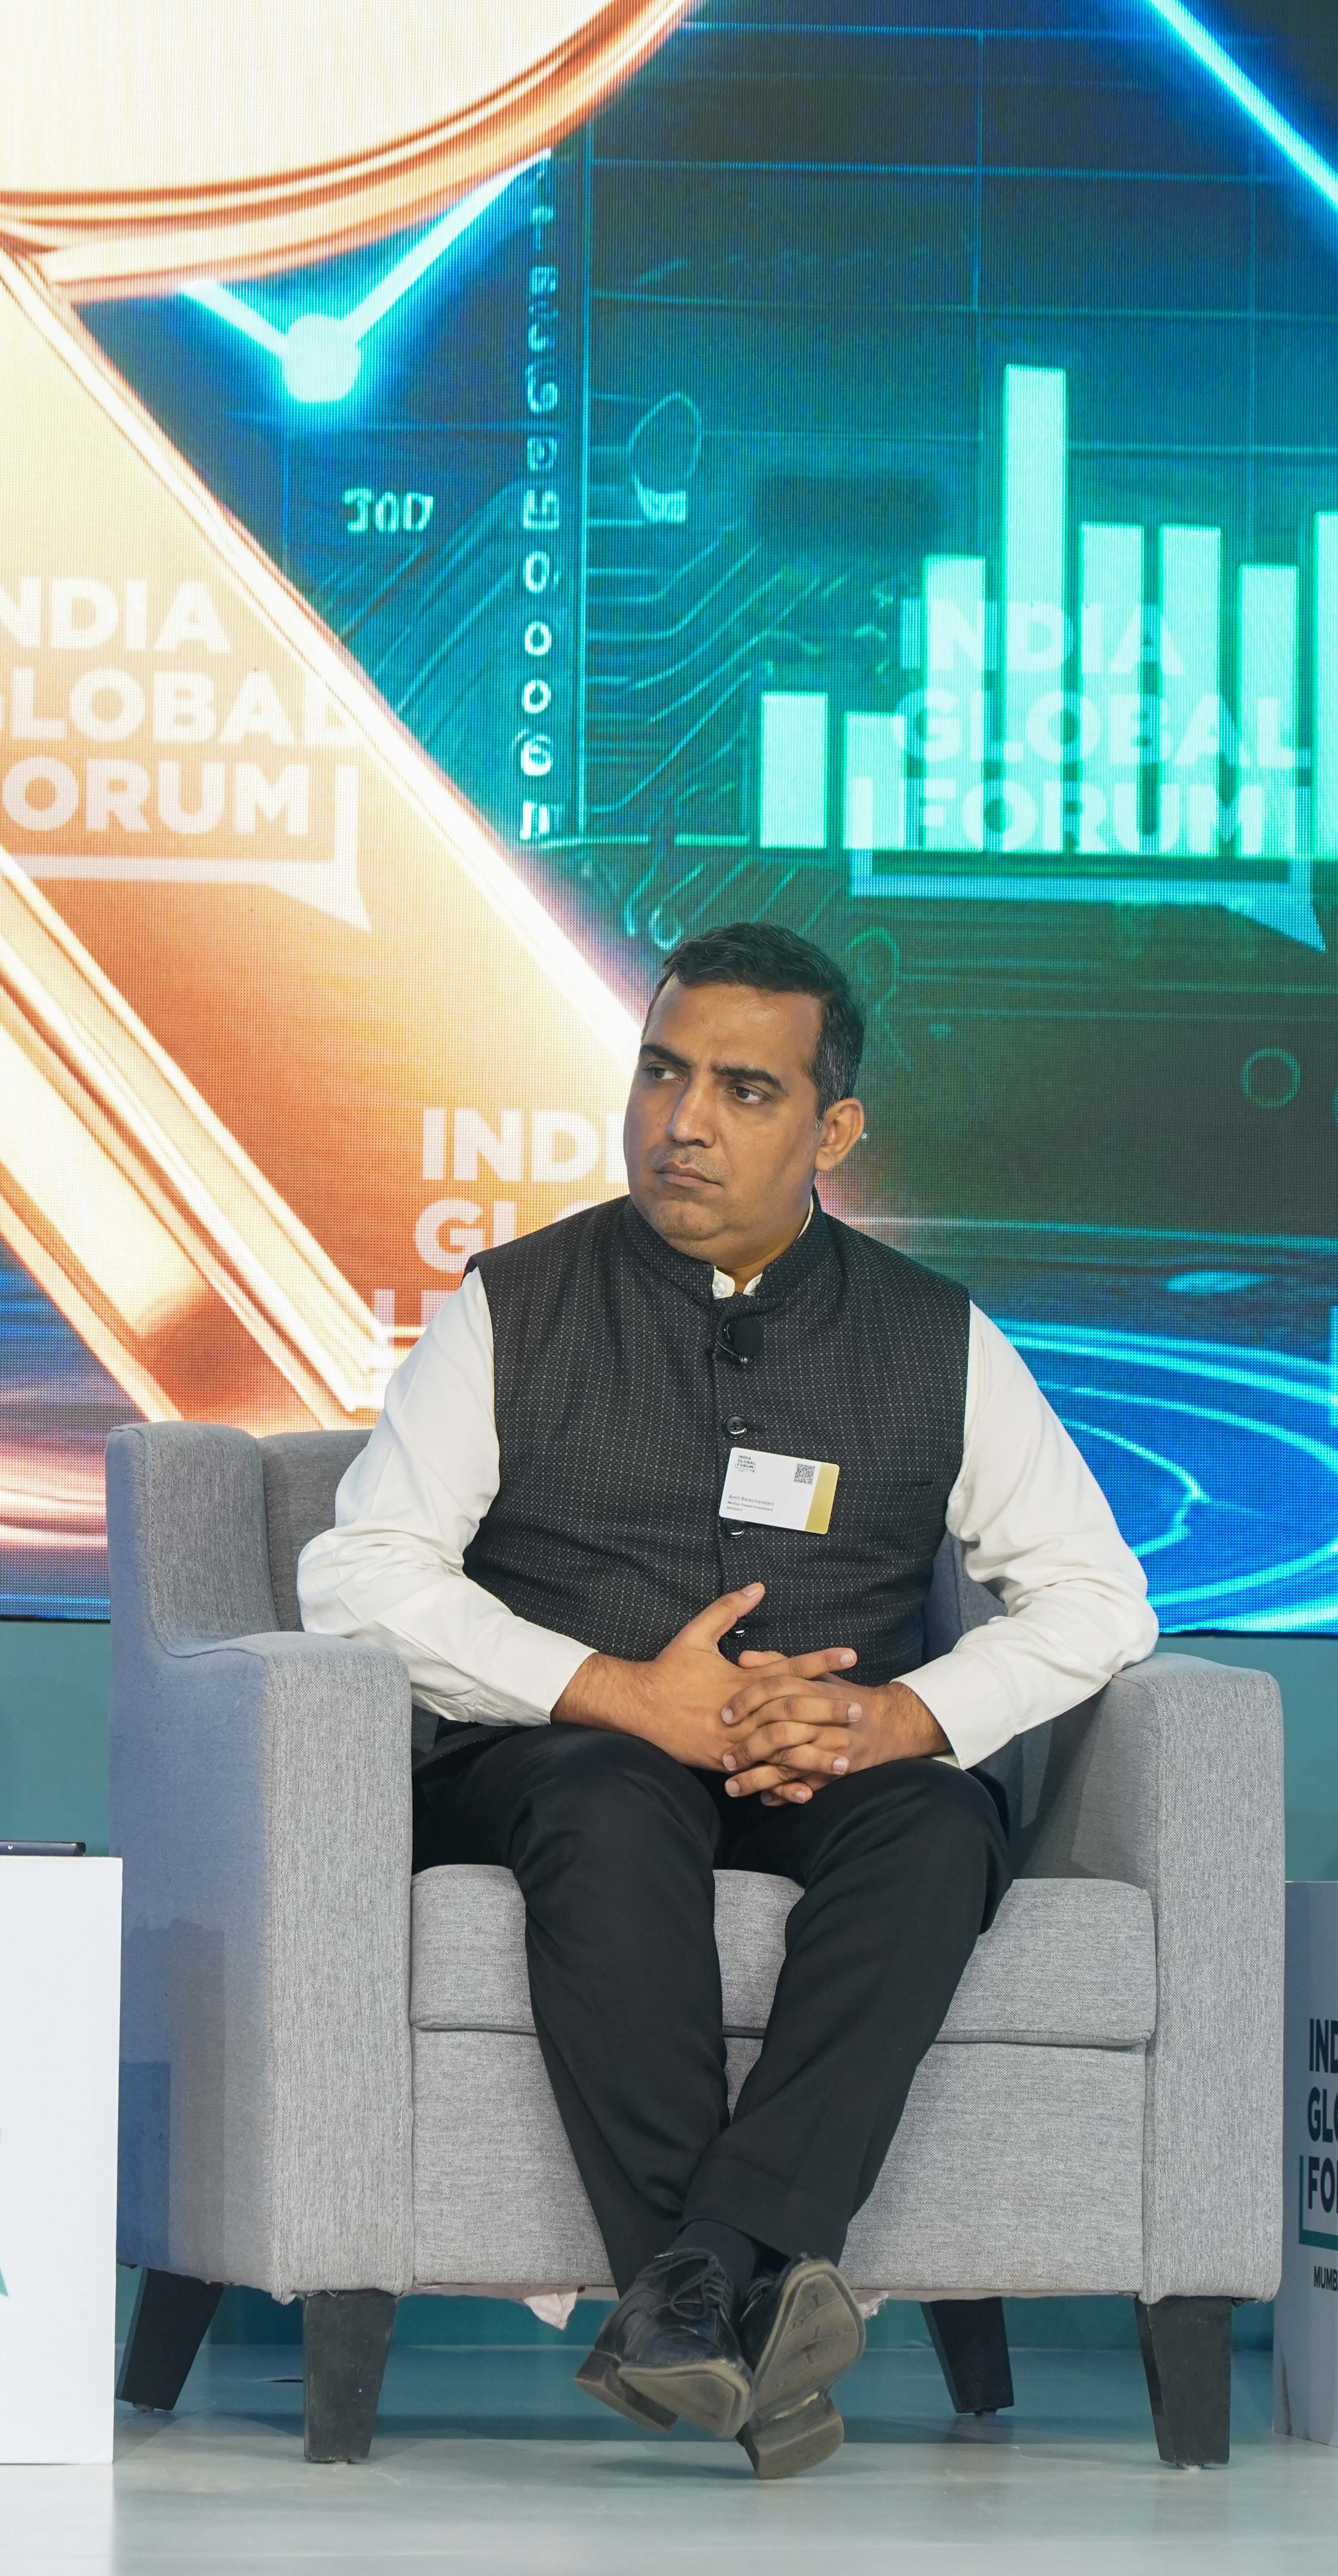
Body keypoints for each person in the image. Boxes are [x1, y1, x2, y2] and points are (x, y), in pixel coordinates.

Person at [299, 924, 1156, 2479]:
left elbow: (1101, 1597)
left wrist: (901, 1717)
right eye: (662, 1072)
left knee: (937, 1826)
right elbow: (358, 1574)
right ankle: (744, 2287)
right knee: (610, 1800)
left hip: (828, 1763)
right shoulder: (515, 1303)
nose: (682, 1121)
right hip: (561, 1757)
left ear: (834, 1130)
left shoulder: (935, 1335)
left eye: (744, 1090)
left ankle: (694, 2293)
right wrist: (617, 1691)